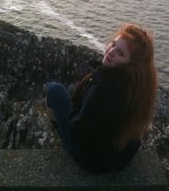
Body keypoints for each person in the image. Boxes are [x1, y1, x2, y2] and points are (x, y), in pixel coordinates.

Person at [45, 23, 157, 174]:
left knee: (54, 89)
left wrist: (72, 116)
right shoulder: (138, 86)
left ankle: (60, 136)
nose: (110, 52)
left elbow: (77, 130)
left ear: (131, 65)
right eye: (113, 44)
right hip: (122, 158)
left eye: (120, 53)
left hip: (93, 162)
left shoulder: (103, 90)